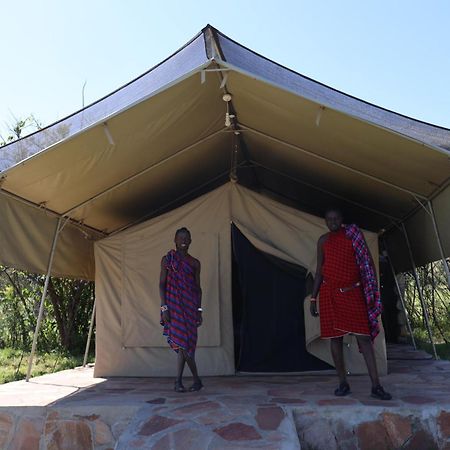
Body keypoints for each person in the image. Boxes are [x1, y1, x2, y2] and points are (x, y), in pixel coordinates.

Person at [310, 208, 391, 400]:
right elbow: (320, 271)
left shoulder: (353, 236)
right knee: (335, 339)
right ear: (325, 221)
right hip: (329, 294)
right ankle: (342, 383)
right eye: (329, 219)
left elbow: (367, 263)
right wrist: (313, 298)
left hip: (353, 292)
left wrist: (370, 291)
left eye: (336, 218)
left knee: (364, 338)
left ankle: (376, 386)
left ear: (342, 219)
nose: (333, 222)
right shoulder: (323, 241)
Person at [159, 227, 203, 393]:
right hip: (173, 307)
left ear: (191, 240)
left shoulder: (195, 263)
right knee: (183, 345)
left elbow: (198, 289)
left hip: (190, 308)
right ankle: (190, 380)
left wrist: (199, 310)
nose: (183, 240)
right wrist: (164, 307)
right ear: (175, 240)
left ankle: (184, 381)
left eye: (186, 237)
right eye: (180, 237)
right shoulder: (167, 260)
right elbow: (161, 285)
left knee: (185, 345)